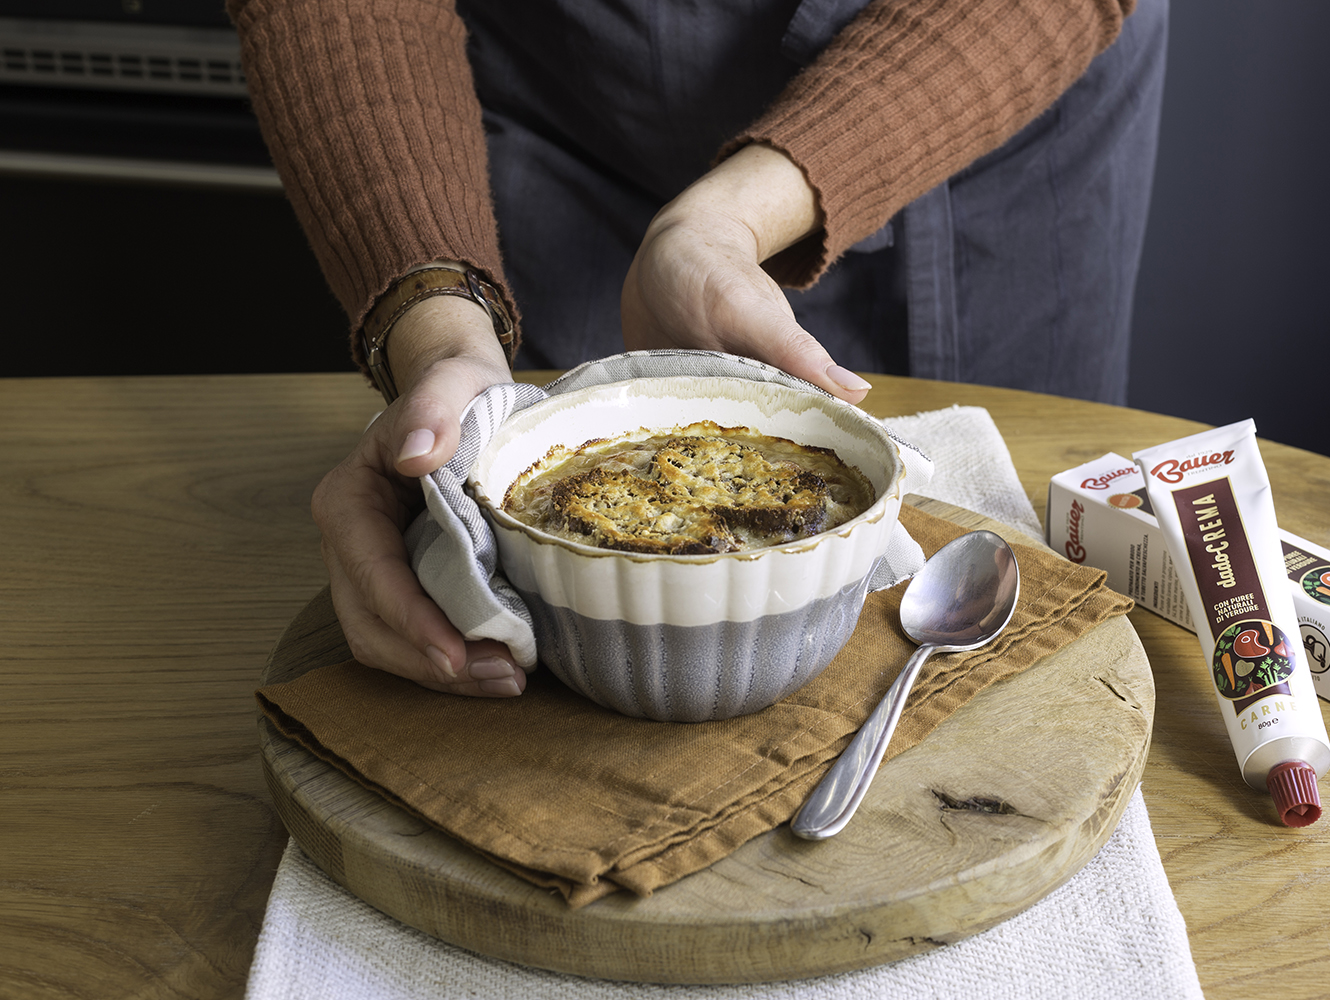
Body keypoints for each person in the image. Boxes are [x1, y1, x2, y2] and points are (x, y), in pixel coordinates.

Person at [229, 0, 1167, 698]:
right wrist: (438, 329)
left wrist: (733, 214)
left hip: (992, 97)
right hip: (569, 140)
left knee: (1039, 636)